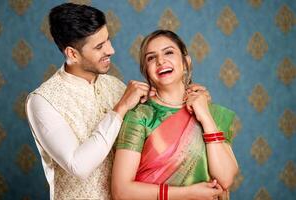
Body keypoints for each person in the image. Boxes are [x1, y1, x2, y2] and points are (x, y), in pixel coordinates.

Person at [25, 3, 208, 200]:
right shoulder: (43, 101)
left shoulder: (116, 86)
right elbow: (78, 166)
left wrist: (191, 97)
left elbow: (156, 129)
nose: (111, 50)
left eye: (108, 40)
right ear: (72, 54)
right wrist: (120, 109)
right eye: (99, 46)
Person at [112, 30, 239, 200]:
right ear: (146, 71)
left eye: (169, 52)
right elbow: (121, 191)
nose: (160, 61)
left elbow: (225, 178)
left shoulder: (211, 112)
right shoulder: (140, 116)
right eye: (151, 58)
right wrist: (188, 194)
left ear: (186, 62)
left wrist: (206, 118)